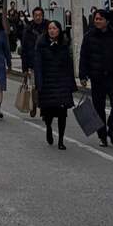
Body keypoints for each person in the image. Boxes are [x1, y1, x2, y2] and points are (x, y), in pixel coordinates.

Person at [78, 7, 113, 147]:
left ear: (106, 21)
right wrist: (83, 75)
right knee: (98, 107)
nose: (97, 21)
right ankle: (102, 136)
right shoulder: (89, 36)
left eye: (100, 19)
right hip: (97, 77)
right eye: (96, 19)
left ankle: (112, 129)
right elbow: (84, 57)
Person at [33, 19, 75, 148]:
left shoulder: (64, 45)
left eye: (55, 28)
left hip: (61, 82)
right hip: (47, 83)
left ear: (59, 30)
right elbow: (38, 66)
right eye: (50, 28)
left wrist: (71, 83)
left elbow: (69, 66)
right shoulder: (41, 45)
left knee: (62, 112)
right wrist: (38, 83)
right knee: (49, 111)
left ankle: (61, 140)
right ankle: (49, 127)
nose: (52, 31)